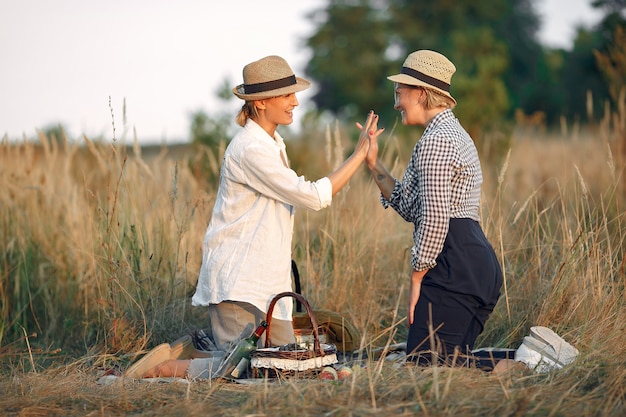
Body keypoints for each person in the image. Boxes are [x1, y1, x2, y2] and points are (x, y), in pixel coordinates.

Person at [125, 55, 383, 379]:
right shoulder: (250, 149)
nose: (295, 102)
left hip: (268, 283)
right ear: (260, 103)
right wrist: (359, 155)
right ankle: (163, 368)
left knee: (285, 366)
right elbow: (313, 196)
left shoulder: (272, 142)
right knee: (246, 370)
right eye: (287, 95)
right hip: (239, 283)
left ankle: (197, 350)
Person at [362, 50, 503, 366]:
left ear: (421, 93)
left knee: (428, 365)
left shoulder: (436, 141)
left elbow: (437, 219)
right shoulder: (451, 134)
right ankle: (532, 361)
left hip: (456, 265)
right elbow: (412, 207)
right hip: (473, 263)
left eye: (400, 94)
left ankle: (530, 366)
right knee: (451, 362)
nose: (396, 103)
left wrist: (417, 277)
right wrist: (372, 162)